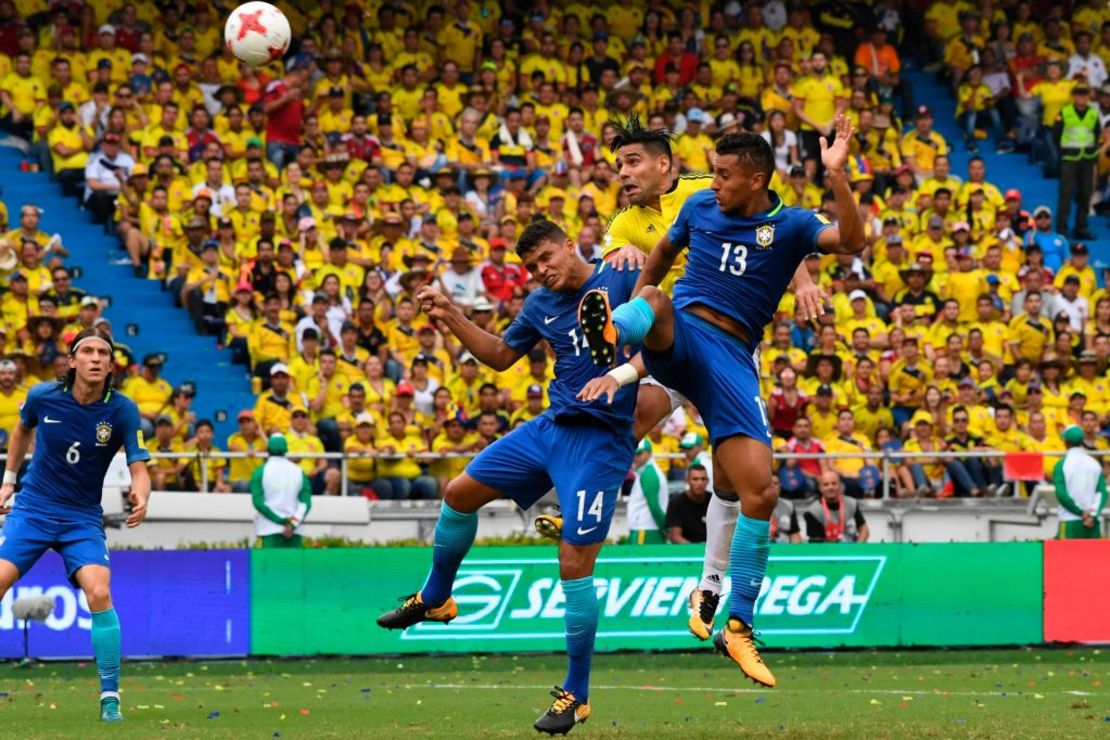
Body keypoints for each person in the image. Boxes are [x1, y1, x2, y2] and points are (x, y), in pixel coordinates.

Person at [577, 116, 863, 688]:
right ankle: (614, 332)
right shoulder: (697, 210)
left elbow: (852, 241)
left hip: (733, 359)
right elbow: (656, 261)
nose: (713, 184)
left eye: (725, 176)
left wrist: (837, 178)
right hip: (680, 336)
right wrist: (633, 307)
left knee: (761, 490)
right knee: (656, 299)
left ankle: (738, 622)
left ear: (756, 181)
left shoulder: (791, 225)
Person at [533, 117, 825, 633]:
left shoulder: (704, 188)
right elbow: (613, 274)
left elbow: (776, 230)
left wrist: (802, 281)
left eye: (632, 162)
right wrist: (616, 265)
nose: (622, 174)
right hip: (673, 333)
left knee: (732, 475)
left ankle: (710, 585)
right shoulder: (623, 224)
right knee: (632, 409)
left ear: (664, 164)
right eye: (617, 165)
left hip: (730, 343)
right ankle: (583, 503)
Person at [376, 220, 641, 735]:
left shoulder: (620, 274)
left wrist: (636, 247)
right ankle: (435, 598)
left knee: (574, 563)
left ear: (570, 245)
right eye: (532, 266)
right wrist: (451, 314)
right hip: (549, 428)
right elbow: (500, 357)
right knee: (458, 494)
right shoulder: (540, 304)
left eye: (546, 257)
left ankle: (577, 696)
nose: (541, 270)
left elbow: (665, 291)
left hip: (599, 442)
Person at [0, 327, 151, 722]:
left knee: (99, 593)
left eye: (104, 352)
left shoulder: (122, 409)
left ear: (111, 365)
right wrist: (8, 480)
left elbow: (139, 466)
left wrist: (143, 494)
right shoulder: (41, 396)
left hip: (81, 516)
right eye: (88, 351)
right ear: (72, 361)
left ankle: (110, 698)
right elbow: (21, 430)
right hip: (33, 508)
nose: (96, 358)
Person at [1053, 84, 1101, 240]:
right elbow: (1056, 136)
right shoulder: (1064, 113)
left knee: (1085, 195)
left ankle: (1081, 228)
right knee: (1065, 194)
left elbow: (1097, 135)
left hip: (1088, 159)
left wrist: (1092, 155)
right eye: (1078, 95)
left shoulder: (1094, 114)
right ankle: (1061, 228)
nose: (1081, 98)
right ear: (1073, 97)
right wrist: (1064, 153)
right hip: (1070, 159)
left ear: (1089, 97)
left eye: (1084, 95)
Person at [251, 433, 312, 548]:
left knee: (269, 566)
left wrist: (281, 521)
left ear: (268, 449)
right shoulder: (299, 471)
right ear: (286, 449)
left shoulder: (260, 472)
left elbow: (258, 502)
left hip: (268, 529)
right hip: (294, 531)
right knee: (293, 566)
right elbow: (305, 503)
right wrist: (292, 524)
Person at [1054, 425, 1107, 539]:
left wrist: (1080, 513)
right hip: (1092, 523)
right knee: (1094, 557)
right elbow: (1102, 493)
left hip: (1069, 520)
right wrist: (1092, 515)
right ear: (1082, 441)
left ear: (1065, 442)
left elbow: (1061, 494)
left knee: (1066, 557)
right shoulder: (1094, 463)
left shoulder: (1061, 465)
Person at [802, 471, 870, 542]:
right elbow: (817, 546)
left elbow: (864, 529)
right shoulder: (813, 512)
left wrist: (857, 549)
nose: (830, 487)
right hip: (827, 551)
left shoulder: (852, 503)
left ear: (840, 486)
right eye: (826, 484)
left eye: (834, 483)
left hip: (852, 550)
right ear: (820, 488)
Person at [625, 437, 668, 545]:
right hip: (646, 529)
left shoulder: (649, 473)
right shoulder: (647, 471)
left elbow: (654, 506)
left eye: (639, 454)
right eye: (634, 454)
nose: (635, 458)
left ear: (649, 453)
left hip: (646, 531)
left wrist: (665, 528)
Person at [665, 464, 710, 543]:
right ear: (687, 481)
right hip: (686, 550)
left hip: (712, 550)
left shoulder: (714, 502)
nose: (699, 483)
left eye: (703, 479)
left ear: (707, 481)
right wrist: (695, 549)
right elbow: (675, 536)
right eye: (695, 479)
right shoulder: (676, 503)